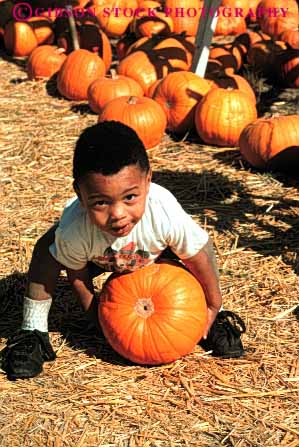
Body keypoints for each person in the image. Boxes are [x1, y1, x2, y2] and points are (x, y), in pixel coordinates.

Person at [0, 121, 246, 381]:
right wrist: (97, 316)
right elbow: (78, 277)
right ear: (80, 195)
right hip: (99, 257)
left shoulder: (164, 214)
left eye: (130, 197)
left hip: (156, 253)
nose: (117, 215)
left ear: (148, 181)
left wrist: (213, 302)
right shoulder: (76, 229)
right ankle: (33, 331)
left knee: (188, 259)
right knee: (46, 253)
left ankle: (211, 319)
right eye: (101, 202)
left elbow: (200, 253)